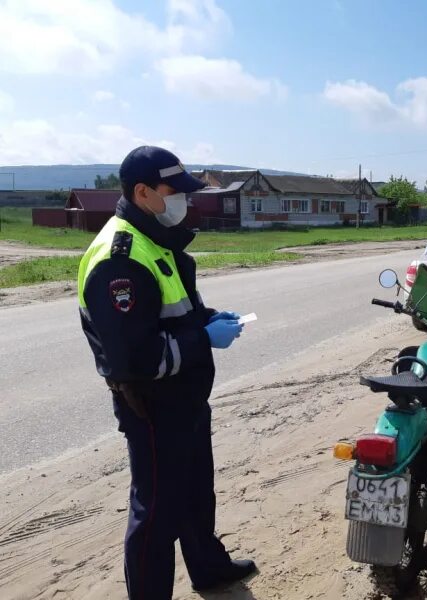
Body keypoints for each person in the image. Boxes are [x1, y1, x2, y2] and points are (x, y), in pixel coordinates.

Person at [77, 146, 256, 599]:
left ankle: (209, 568)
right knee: (156, 512)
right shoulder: (120, 259)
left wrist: (208, 318)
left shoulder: (157, 238)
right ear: (142, 192)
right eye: (174, 192)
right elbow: (137, 359)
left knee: (197, 492)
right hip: (153, 407)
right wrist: (203, 339)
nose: (185, 201)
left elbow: (171, 313)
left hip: (186, 397)